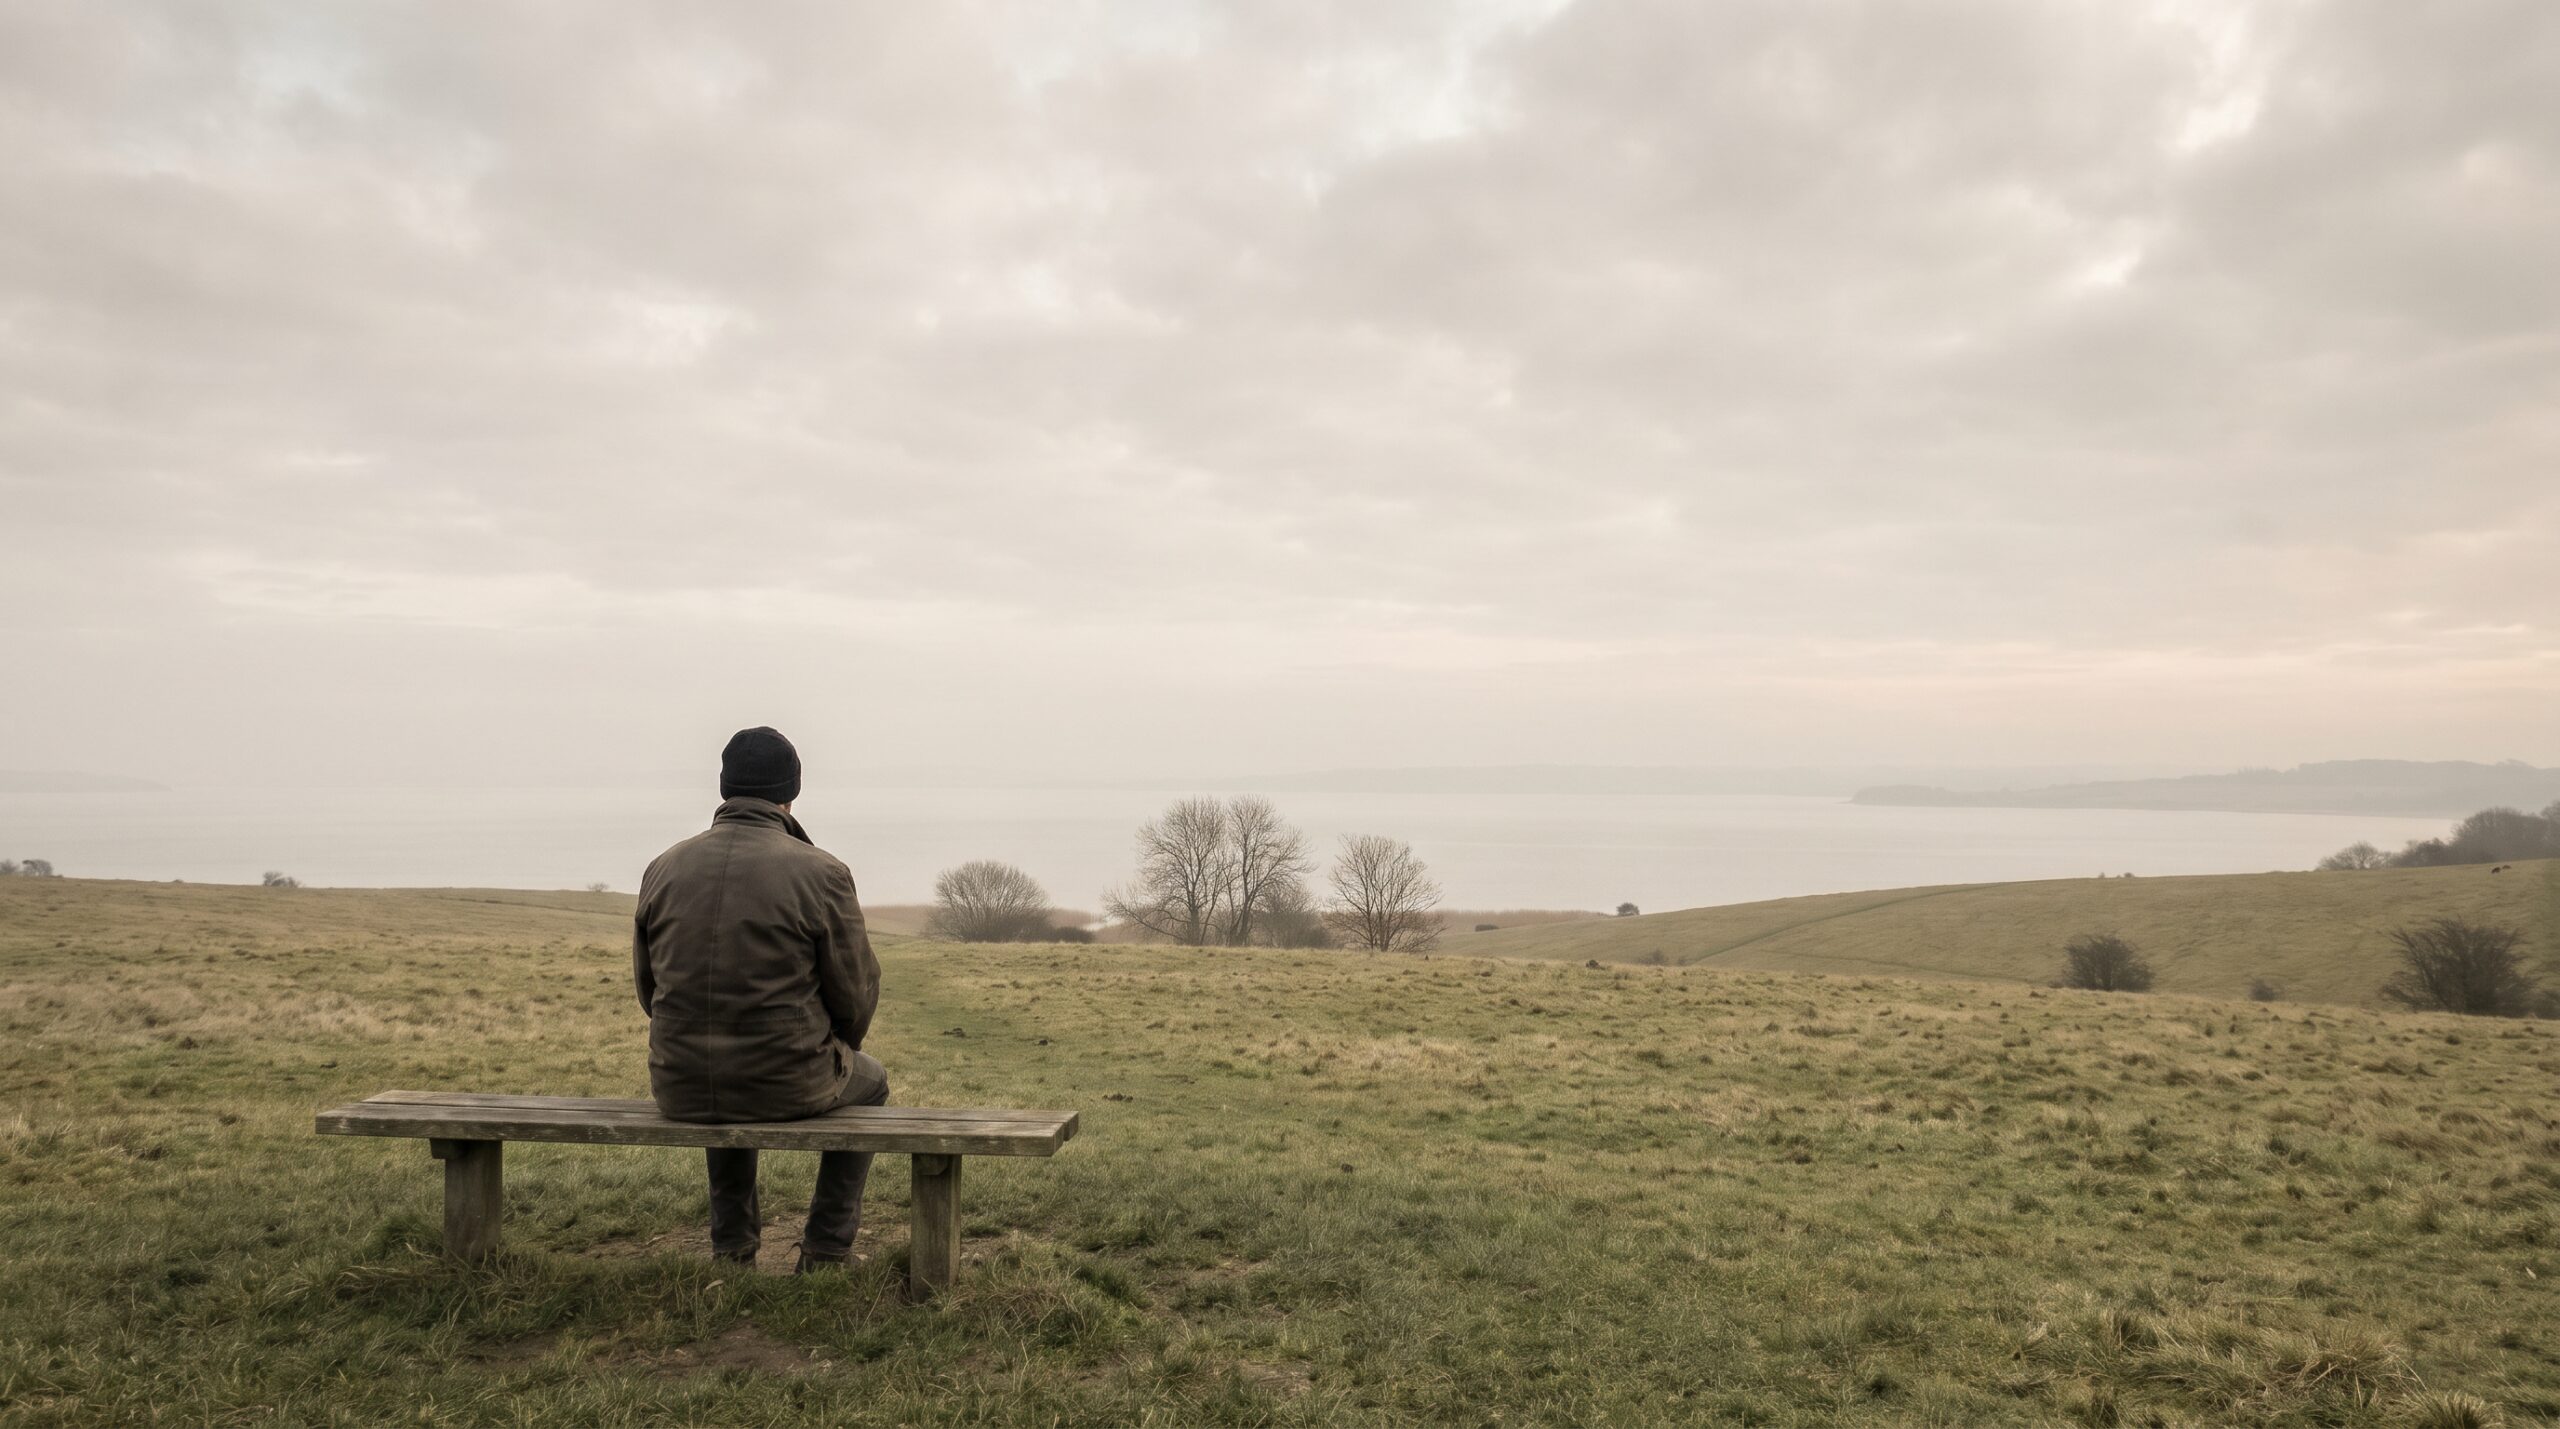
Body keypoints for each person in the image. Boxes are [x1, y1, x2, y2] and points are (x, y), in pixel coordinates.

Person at [633, 726, 886, 1272]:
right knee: (874, 1082)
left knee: (718, 1072)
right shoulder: (822, 872)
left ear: (725, 788)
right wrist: (841, 1047)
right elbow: (856, 992)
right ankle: (825, 1250)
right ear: (789, 792)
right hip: (787, 1079)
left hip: (678, 1082)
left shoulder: (663, 867)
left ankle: (732, 1250)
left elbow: (648, 990)